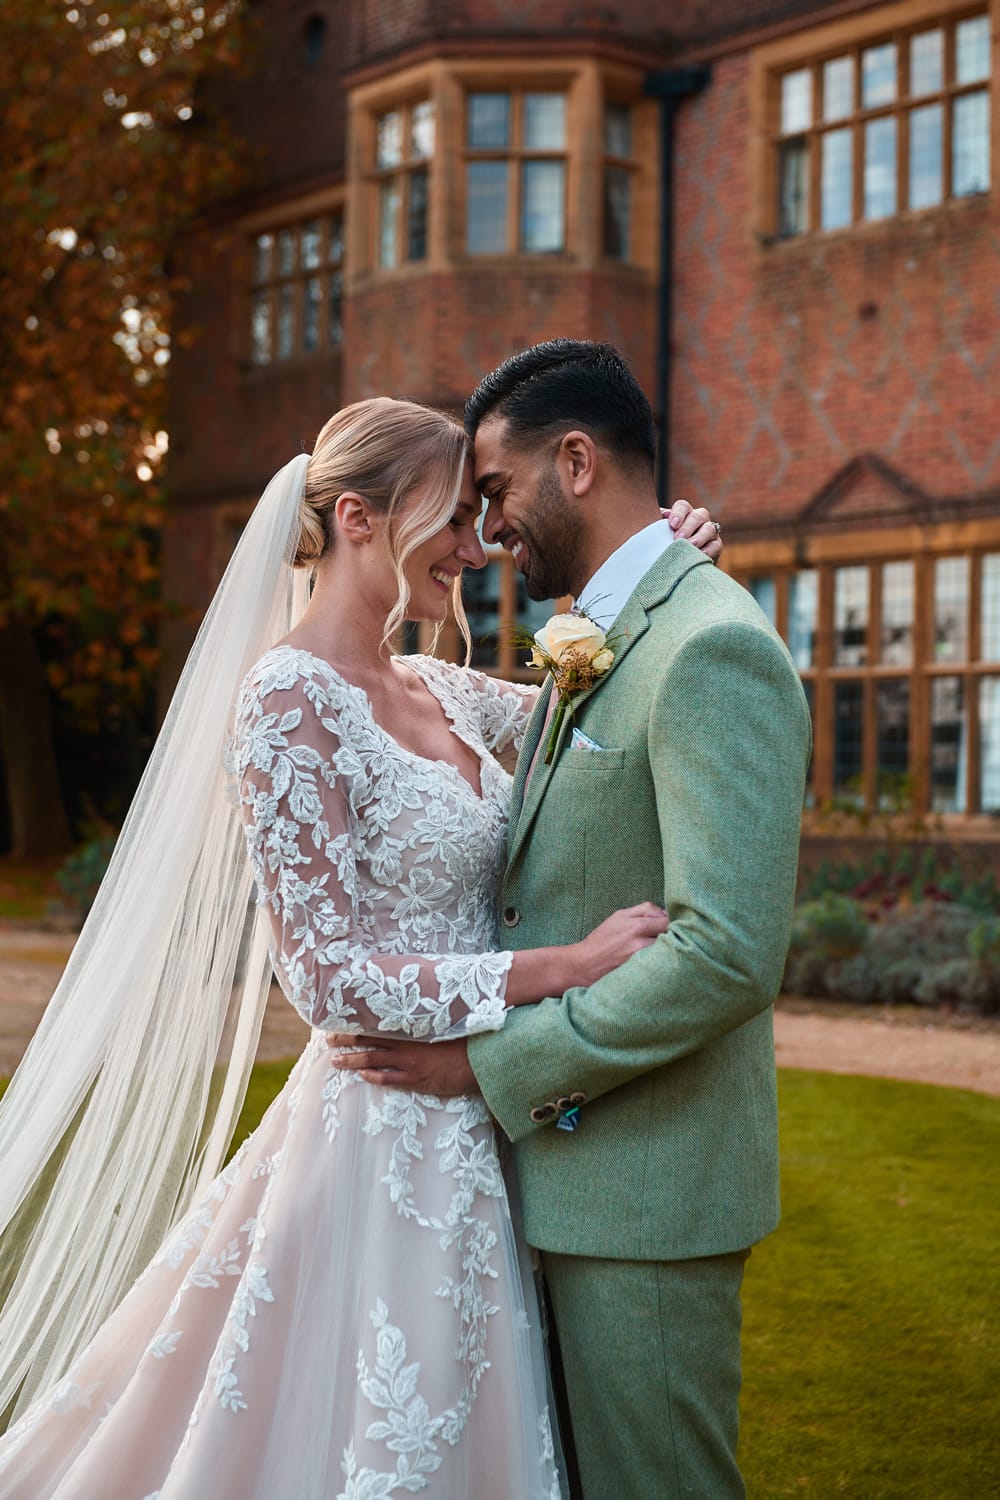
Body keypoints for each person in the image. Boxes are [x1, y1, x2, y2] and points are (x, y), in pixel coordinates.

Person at [0, 394, 723, 1499]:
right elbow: (324, 975)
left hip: (492, 1112)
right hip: (385, 1133)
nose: (475, 550)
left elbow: (601, 710)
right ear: (356, 518)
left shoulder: (438, 687)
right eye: (453, 520)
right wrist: (564, 968)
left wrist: (662, 567)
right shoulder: (286, 698)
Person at [330, 342, 813, 1498]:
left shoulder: (709, 648)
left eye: (496, 491)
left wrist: (489, 1066)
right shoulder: (608, 638)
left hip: (644, 1201)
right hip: (556, 1184)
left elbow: (724, 954)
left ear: (579, 463)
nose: (487, 530)